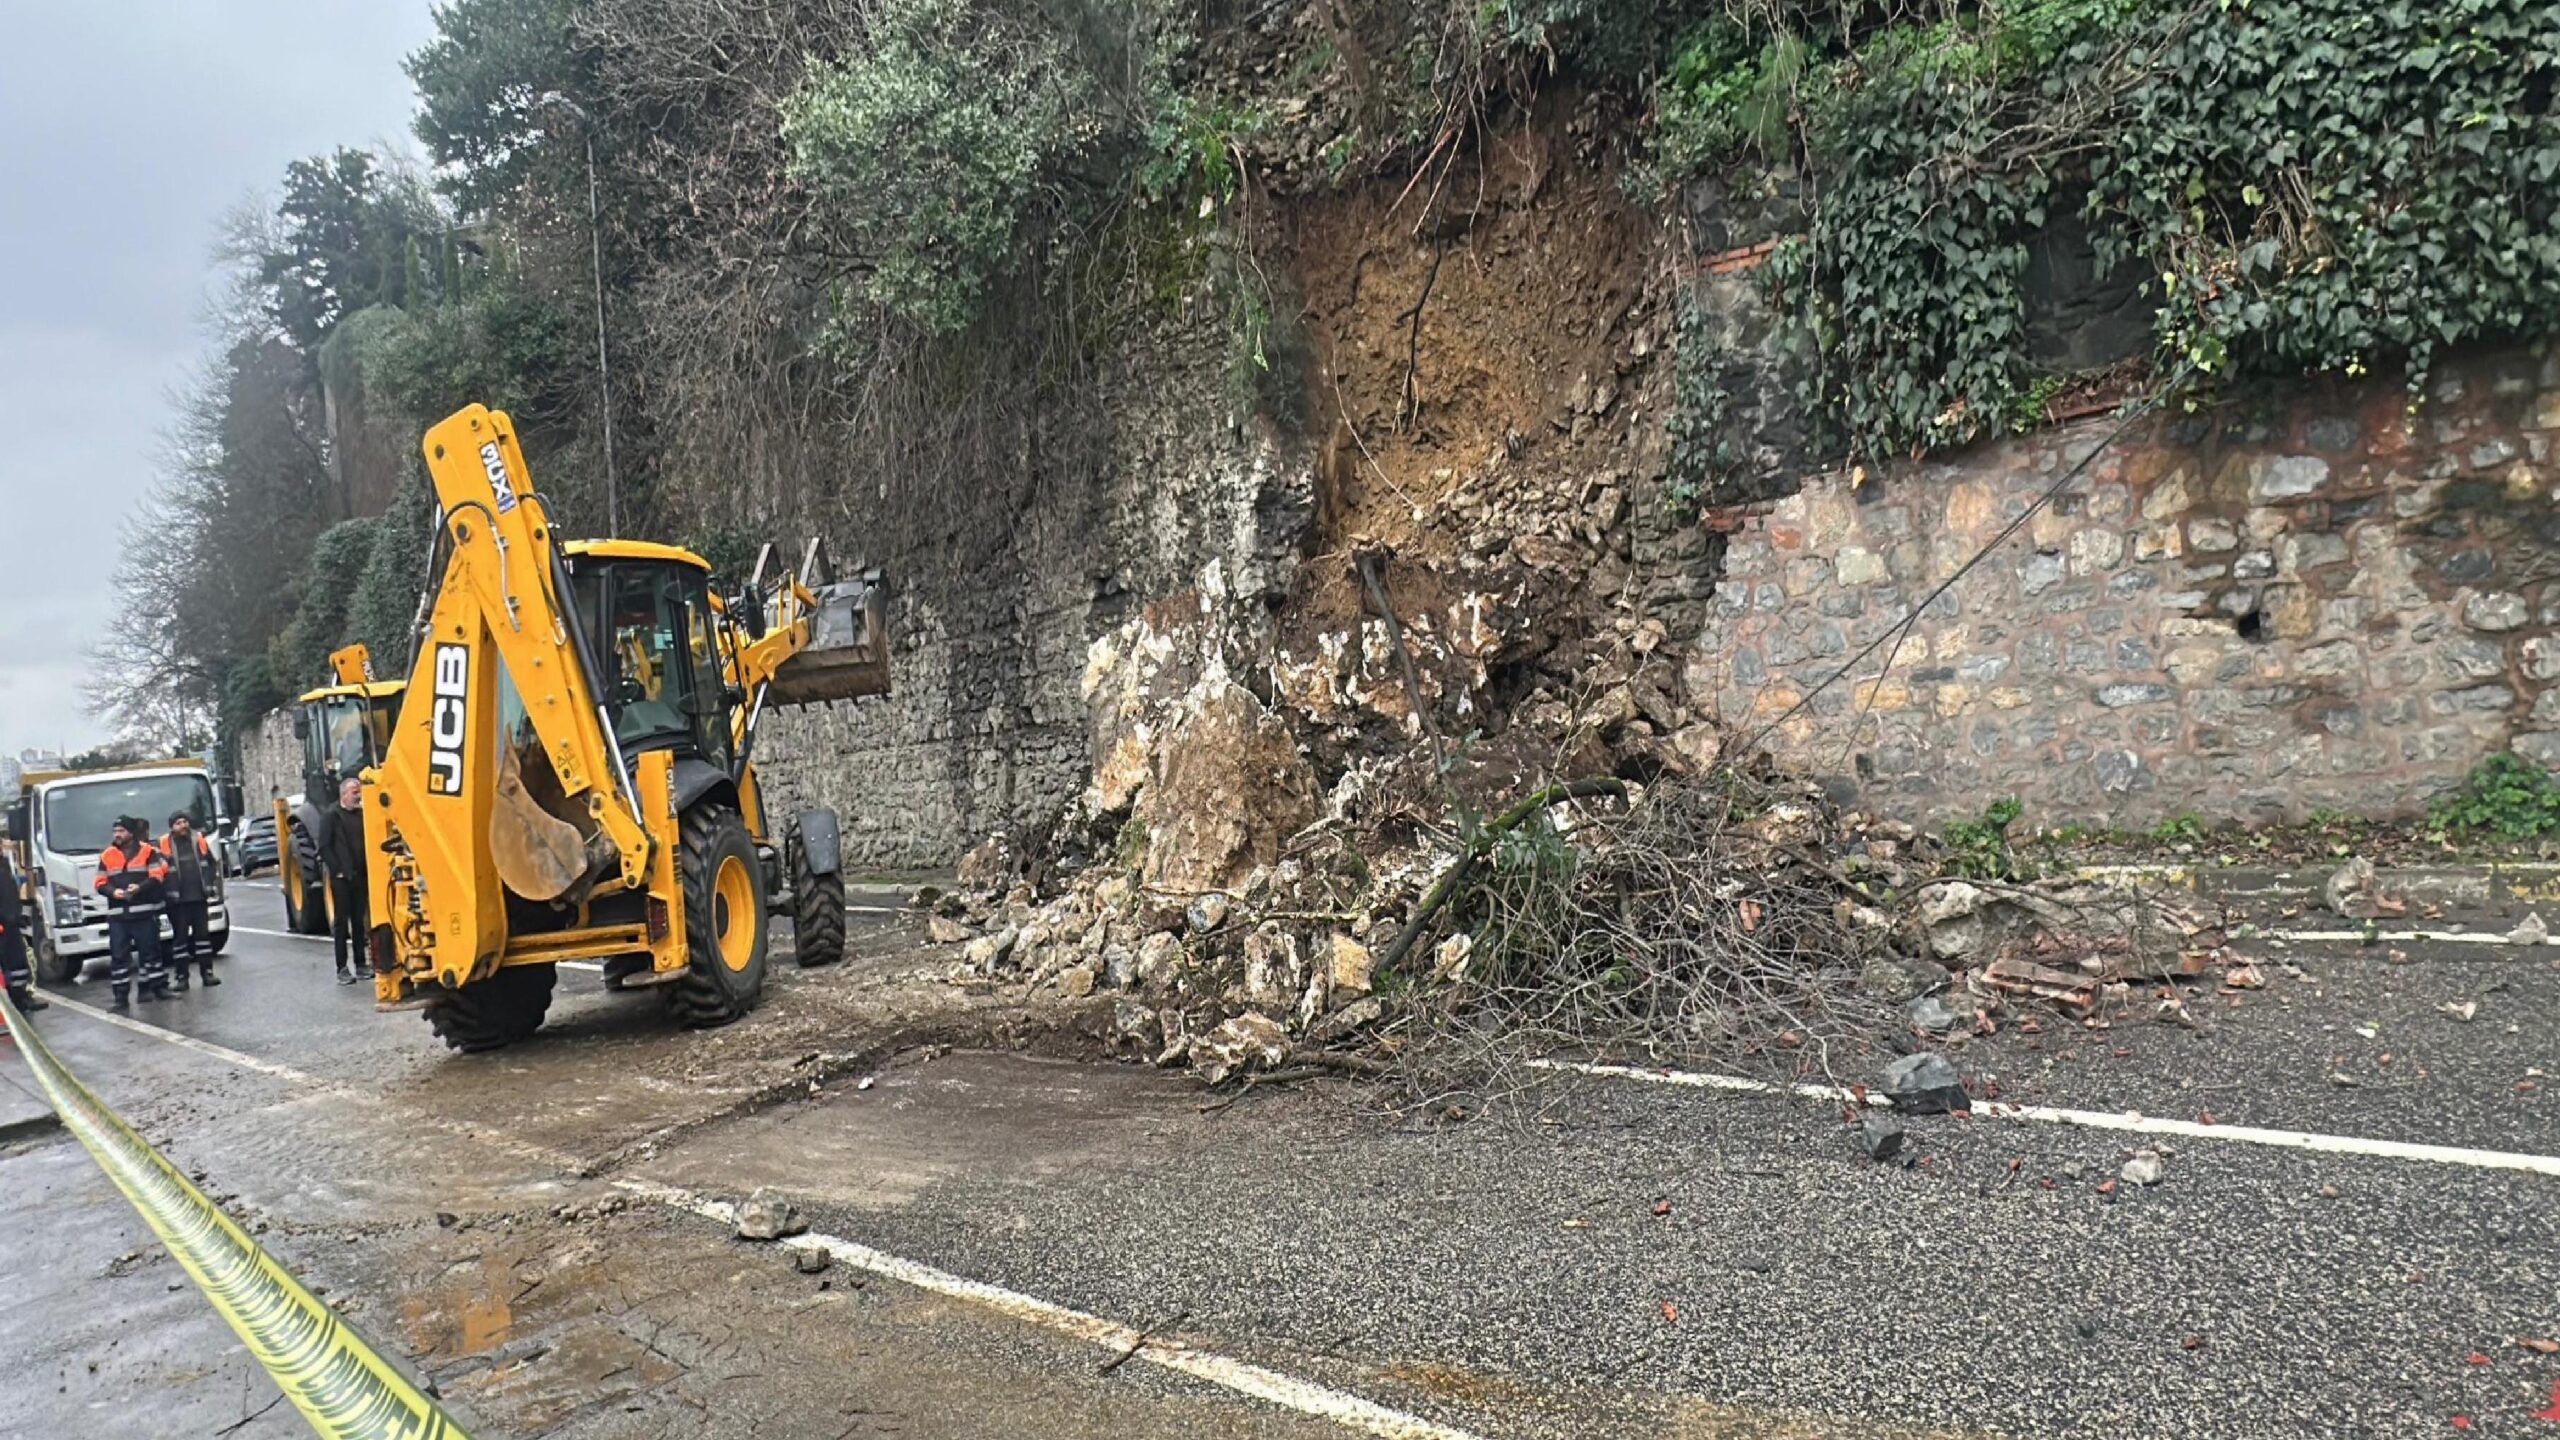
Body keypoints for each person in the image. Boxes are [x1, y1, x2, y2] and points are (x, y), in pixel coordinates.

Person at [94, 815, 168, 1011]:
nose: (117, 835)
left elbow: (157, 876)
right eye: (115, 831)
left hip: (143, 913)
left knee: (150, 953)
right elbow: (100, 883)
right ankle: (120, 998)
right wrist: (113, 892)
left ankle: (156, 989)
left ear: (131, 833)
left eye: (121, 831)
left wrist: (140, 888)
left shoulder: (147, 851)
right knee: (119, 957)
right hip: (118, 916)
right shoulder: (107, 855)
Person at [158, 812, 221, 991]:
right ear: (172, 827)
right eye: (178, 823)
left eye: (185, 821)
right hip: (177, 902)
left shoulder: (198, 839)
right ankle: (181, 978)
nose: (183, 825)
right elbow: (158, 872)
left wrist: (209, 885)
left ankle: (207, 973)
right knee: (180, 941)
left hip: (198, 898)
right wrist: (167, 893)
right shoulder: (164, 844)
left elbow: (211, 864)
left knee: (203, 938)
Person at [319, 776, 370, 986]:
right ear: (344, 795)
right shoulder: (331, 816)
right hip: (341, 878)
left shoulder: (361, 815)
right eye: (354, 793)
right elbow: (324, 846)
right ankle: (342, 968)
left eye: (359, 792)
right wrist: (337, 870)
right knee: (342, 923)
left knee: (359, 921)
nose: (358, 797)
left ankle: (361, 964)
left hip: (359, 875)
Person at [0, 846, 46, 1022]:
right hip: (3, 924)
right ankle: (10, 1003)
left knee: (18, 963)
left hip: (11, 923)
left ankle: (21, 998)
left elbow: (9, 895)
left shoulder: (5, 865)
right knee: (7, 966)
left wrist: (17, 916)